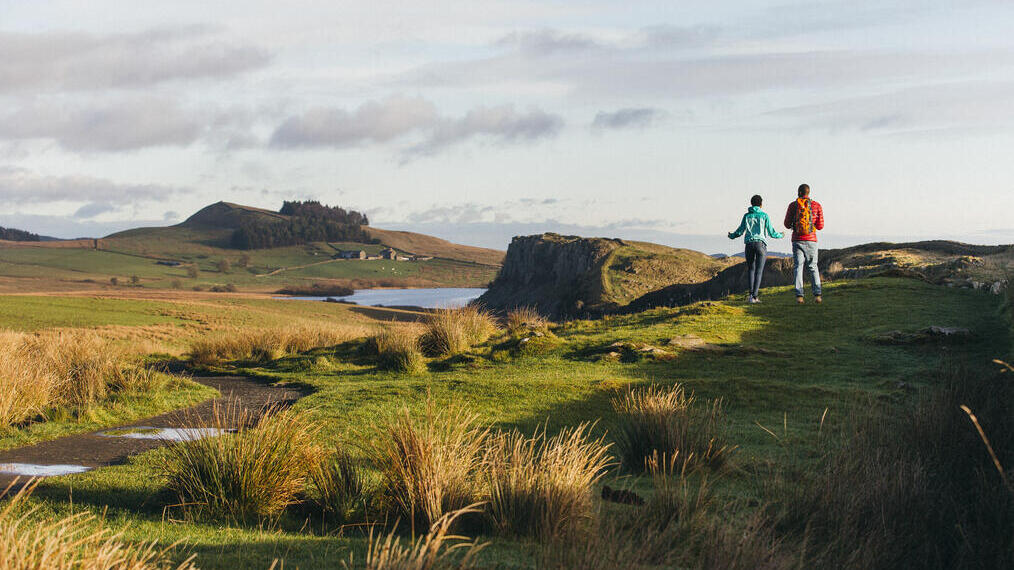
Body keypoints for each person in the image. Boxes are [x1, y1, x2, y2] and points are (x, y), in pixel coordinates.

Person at [728, 194, 784, 303]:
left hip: (749, 244)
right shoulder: (764, 216)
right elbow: (772, 233)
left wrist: (732, 236)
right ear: (761, 204)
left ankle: (750, 296)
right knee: (759, 271)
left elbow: (740, 231)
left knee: (751, 270)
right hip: (760, 244)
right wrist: (781, 235)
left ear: (751, 203)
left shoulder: (747, 216)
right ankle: (755, 296)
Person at [784, 183, 825, 304]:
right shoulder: (816, 205)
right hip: (811, 240)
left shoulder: (793, 205)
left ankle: (799, 296)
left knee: (798, 267)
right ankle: (817, 295)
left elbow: (786, 224)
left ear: (798, 192)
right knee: (813, 267)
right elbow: (820, 226)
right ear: (808, 193)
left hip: (797, 240)